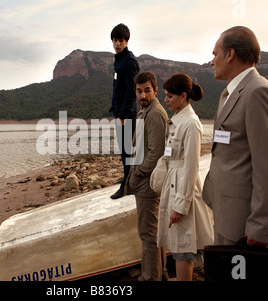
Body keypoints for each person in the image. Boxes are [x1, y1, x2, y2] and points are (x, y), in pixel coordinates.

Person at [202, 26, 268, 247]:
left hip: (244, 224)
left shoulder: (259, 92)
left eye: (215, 54)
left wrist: (260, 227)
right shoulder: (228, 94)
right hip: (227, 214)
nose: (212, 61)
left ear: (230, 54)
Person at [157, 73, 214, 281]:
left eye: (170, 96)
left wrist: (180, 205)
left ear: (183, 96)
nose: (165, 99)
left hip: (182, 188)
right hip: (174, 184)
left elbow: (191, 167)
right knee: (178, 244)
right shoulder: (178, 120)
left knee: (183, 248)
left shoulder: (190, 123)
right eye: (165, 95)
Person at [125, 71, 169, 281]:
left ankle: (151, 277)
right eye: (139, 91)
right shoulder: (144, 111)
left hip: (148, 183)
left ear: (155, 90)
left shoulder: (155, 113)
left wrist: (137, 175)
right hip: (143, 180)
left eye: (147, 91)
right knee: (153, 231)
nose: (143, 95)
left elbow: (156, 153)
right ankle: (160, 272)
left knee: (147, 233)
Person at [109, 23, 140, 199]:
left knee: (128, 149)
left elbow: (131, 90)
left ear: (126, 41)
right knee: (124, 149)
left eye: (121, 40)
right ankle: (126, 177)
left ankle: (127, 186)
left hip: (126, 113)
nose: (117, 43)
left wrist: (122, 114)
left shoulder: (129, 61)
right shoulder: (119, 59)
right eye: (115, 40)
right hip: (119, 111)